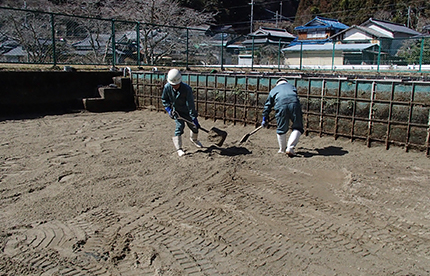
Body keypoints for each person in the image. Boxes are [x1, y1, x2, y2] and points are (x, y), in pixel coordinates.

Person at [162, 69, 202, 156]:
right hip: (176, 112)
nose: (174, 86)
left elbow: (190, 104)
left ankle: (194, 139)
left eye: (176, 84)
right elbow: (164, 100)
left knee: (194, 127)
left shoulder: (187, 89)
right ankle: (179, 148)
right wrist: (169, 110)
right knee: (180, 126)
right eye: (172, 84)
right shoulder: (167, 87)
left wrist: (193, 118)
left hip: (187, 111)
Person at [261, 77, 304, 157]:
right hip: (294, 104)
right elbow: (294, 97)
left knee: (281, 129)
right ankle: (290, 147)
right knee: (298, 127)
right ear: (286, 82)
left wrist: (264, 118)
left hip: (280, 106)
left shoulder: (273, 90)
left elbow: (268, 105)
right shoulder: (292, 87)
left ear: (277, 84)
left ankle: (282, 149)